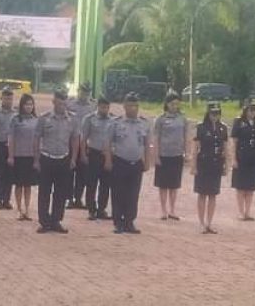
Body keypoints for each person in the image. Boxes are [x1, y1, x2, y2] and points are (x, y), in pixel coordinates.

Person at [104, 92, 151, 234]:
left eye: (135, 106)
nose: (133, 109)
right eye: (130, 105)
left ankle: (129, 221)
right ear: (124, 106)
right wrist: (108, 160)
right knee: (118, 193)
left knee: (133, 194)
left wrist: (147, 162)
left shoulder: (144, 123)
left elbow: (147, 144)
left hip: (136, 163)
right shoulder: (116, 122)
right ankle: (118, 222)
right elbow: (107, 143)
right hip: (119, 161)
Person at [33, 90, 79, 234]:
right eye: (59, 103)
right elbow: (36, 139)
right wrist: (36, 160)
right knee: (44, 192)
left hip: (63, 159)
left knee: (60, 193)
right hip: (47, 158)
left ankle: (56, 220)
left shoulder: (72, 119)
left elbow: (75, 139)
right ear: (53, 102)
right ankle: (44, 222)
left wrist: (73, 159)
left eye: (64, 103)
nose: (61, 106)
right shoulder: (44, 118)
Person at [191, 102, 228, 234]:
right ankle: (201, 223)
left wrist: (226, 166)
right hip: (203, 163)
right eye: (213, 113)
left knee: (213, 194)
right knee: (202, 194)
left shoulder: (223, 128)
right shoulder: (201, 127)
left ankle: (209, 223)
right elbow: (195, 149)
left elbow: (225, 149)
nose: (215, 116)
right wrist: (193, 166)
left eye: (217, 113)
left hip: (216, 164)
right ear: (208, 113)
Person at [154, 91, 188, 221]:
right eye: (172, 104)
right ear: (167, 104)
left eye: (177, 104)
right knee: (163, 184)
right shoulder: (160, 119)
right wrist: (156, 155)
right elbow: (156, 138)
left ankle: (172, 210)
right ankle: (163, 210)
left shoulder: (183, 118)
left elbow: (186, 137)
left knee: (174, 184)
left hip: (177, 154)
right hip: (164, 155)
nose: (175, 106)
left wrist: (186, 152)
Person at [81, 96, 114, 220]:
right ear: (98, 106)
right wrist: (83, 154)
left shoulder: (113, 120)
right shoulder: (89, 119)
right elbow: (83, 138)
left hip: (107, 155)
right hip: (93, 154)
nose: (105, 110)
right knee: (91, 183)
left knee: (105, 184)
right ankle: (91, 209)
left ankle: (101, 209)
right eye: (102, 107)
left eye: (107, 107)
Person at [231, 98, 255, 221]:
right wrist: (234, 158)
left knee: (250, 187)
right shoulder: (239, 122)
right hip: (241, 157)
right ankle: (240, 212)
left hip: (254, 157)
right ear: (245, 110)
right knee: (241, 186)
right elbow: (234, 141)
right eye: (250, 110)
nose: (253, 113)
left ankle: (248, 211)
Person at [7, 94, 39, 221]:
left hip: (31, 156)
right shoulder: (15, 119)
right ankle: (19, 209)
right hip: (18, 156)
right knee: (19, 184)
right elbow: (11, 138)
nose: (29, 107)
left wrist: (37, 158)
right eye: (26, 104)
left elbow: (39, 139)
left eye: (31, 104)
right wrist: (10, 156)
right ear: (22, 105)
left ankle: (27, 209)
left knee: (28, 185)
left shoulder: (36, 120)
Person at [67, 81, 97, 209]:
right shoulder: (70, 104)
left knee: (83, 173)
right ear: (78, 91)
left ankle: (78, 198)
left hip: (85, 143)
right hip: (71, 141)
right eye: (82, 91)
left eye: (87, 92)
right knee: (69, 173)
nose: (84, 94)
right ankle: (69, 199)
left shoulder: (93, 106)